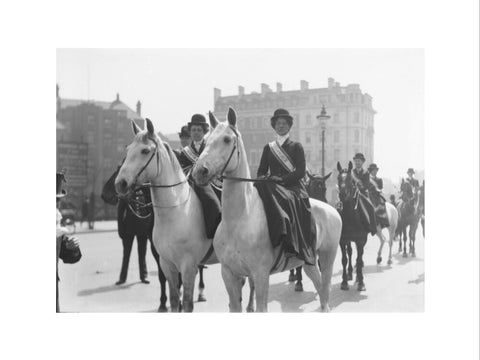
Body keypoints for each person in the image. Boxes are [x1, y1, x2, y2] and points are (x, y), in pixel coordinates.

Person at [255, 108, 316, 267]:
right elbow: (261, 171)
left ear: (289, 126)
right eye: (278, 123)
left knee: (287, 200)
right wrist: (266, 178)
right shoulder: (268, 148)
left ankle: (290, 242)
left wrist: (282, 180)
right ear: (274, 126)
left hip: (292, 186)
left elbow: (301, 171)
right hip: (272, 185)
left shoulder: (296, 147)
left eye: (284, 123)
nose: (281, 126)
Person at [176, 114, 222, 238]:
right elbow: (183, 171)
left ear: (204, 132)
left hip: (212, 182)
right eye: (193, 130)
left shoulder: (210, 147)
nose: (196, 133)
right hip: (191, 184)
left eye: (199, 130)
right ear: (190, 132)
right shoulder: (184, 153)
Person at [56, 171, 81, 312]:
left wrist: (72, 248)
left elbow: (66, 255)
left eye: (58, 200)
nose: (57, 205)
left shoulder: (56, 220)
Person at [351, 153, 377, 235]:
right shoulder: (351, 172)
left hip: (363, 194)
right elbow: (350, 183)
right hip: (352, 194)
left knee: (371, 208)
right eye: (356, 161)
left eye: (359, 161)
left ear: (362, 162)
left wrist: (360, 189)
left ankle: (373, 227)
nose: (357, 163)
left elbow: (366, 184)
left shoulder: (366, 173)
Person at [367, 163, 390, 228]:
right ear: (370, 171)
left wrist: (378, 190)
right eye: (373, 170)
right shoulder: (367, 179)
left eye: (376, 170)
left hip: (376, 196)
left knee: (383, 204)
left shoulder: (379, 179)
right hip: (368, 195)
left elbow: (380, 188)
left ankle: (384, 221)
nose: (375, 172)